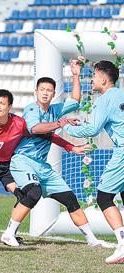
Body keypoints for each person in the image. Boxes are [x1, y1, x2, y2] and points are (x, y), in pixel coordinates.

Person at [1, 61, 112, 249]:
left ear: (53, 94)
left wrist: (75, 74)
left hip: (42, 166)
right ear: (36, 92)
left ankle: (92, 240)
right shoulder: (32, 109)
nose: (45, 92)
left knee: (70, 198)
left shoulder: (54, 110)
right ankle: (8, 234)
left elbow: (75, 101)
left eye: (49, 90)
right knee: (33, 192)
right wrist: (61, 123)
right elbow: (36, 128)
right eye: (42, 89)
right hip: (23, 162)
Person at [0, 89, 91, 246]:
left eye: (2, 103)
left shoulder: (19, 123)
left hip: (7, 165)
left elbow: (48, 135)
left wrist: (70, 147)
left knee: (25, 196)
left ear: (9, 107)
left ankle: (11, 234)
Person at [63, 60, 124, 264]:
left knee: (104, 198)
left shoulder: (106, 98)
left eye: (95, 76)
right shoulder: (120, 94)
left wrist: (65, 127)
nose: (92, 80)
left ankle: (122, 245)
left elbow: (92, 130)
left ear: (104, 79)